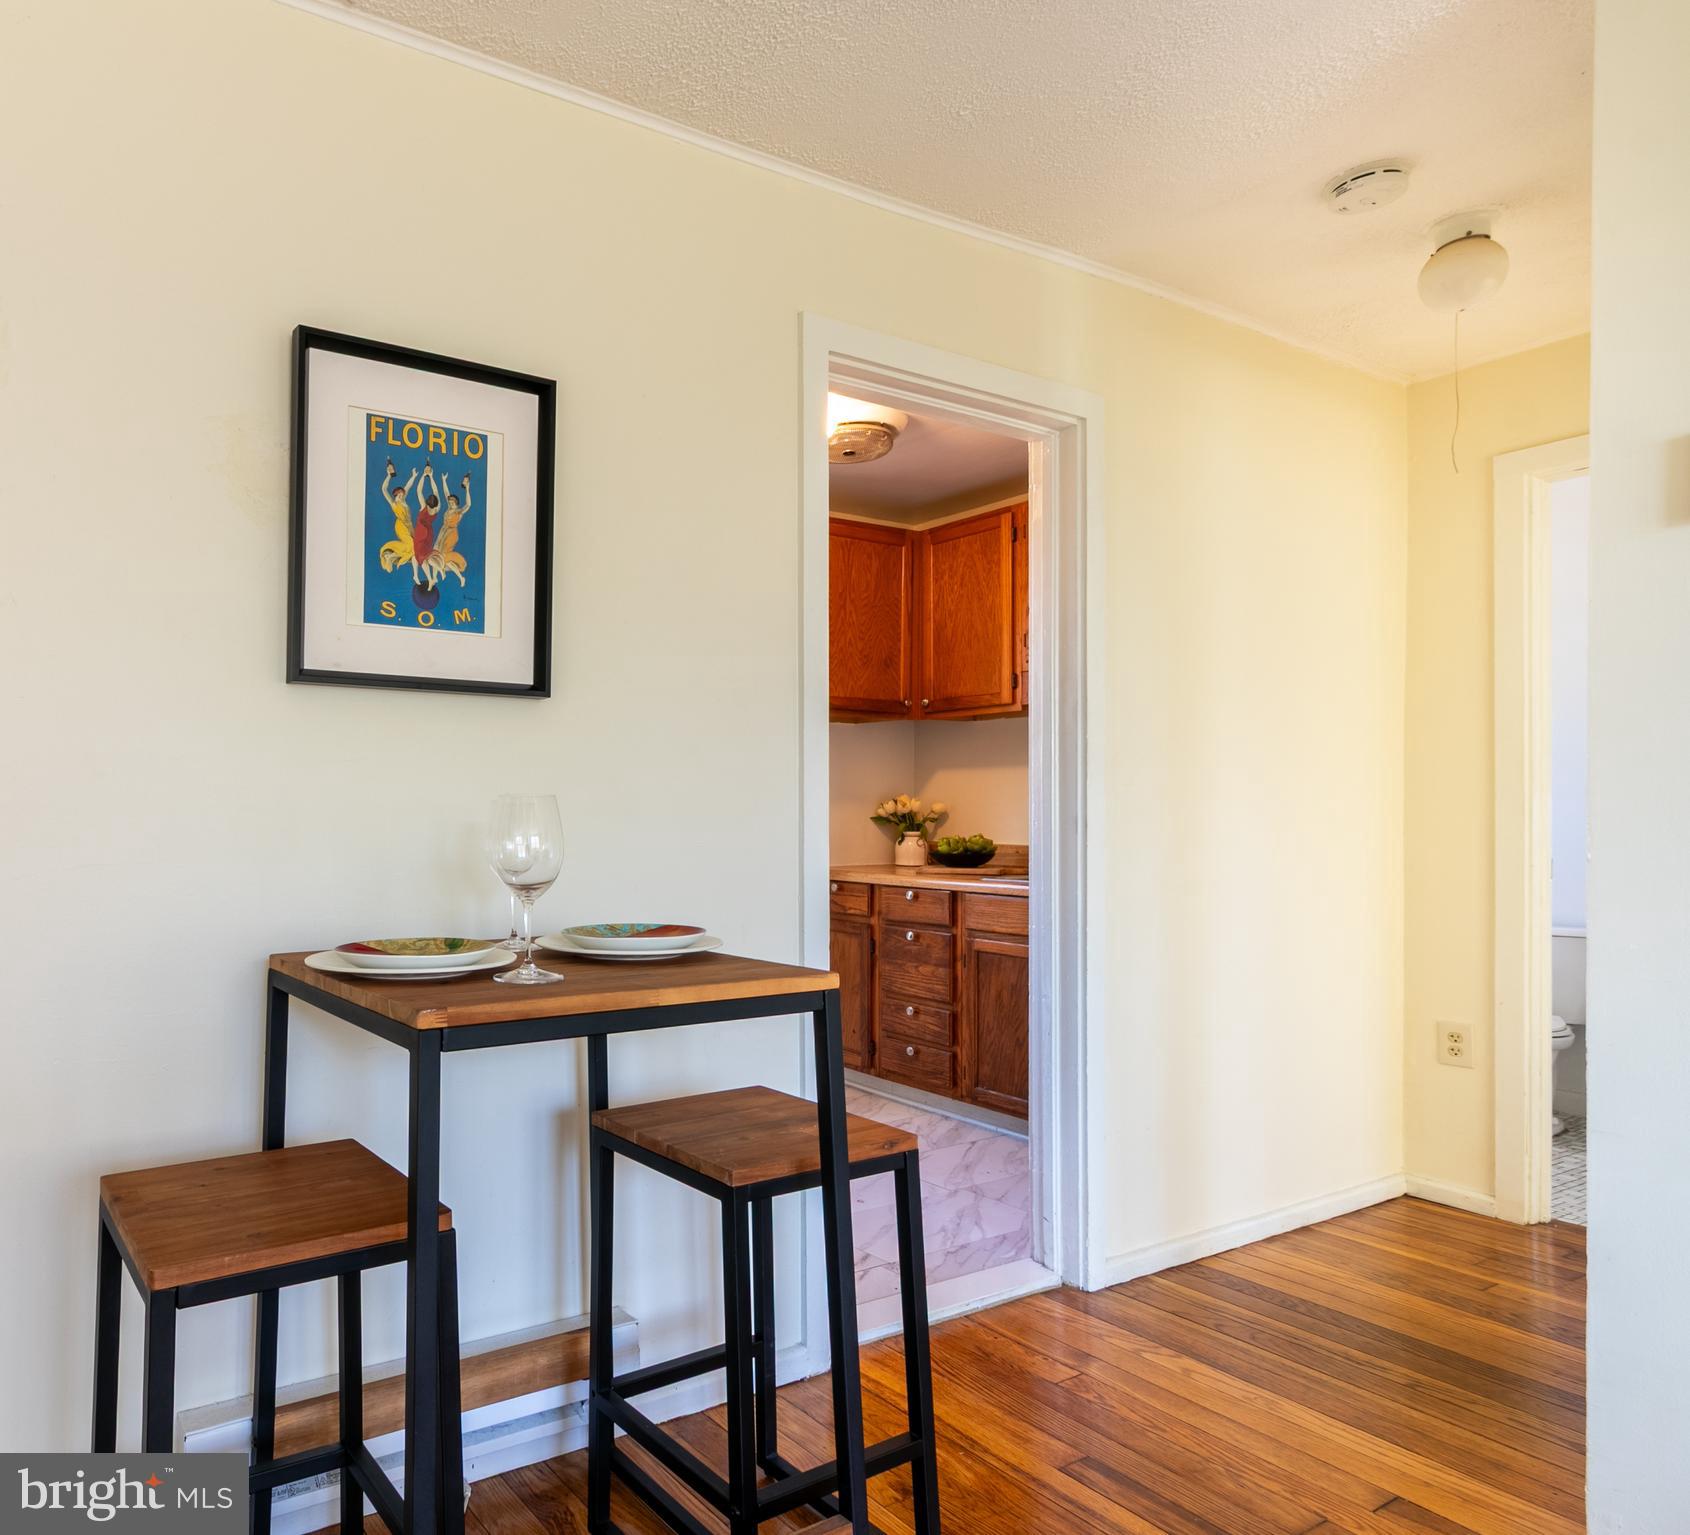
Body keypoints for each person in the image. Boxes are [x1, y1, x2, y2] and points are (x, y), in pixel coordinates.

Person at [377, 458, 418, 573]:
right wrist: (389, 476)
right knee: (411, 546)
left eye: (401, 494)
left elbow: (408, 486)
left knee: (415, 548)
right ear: (394, 496)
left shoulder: (404, 500)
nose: (400, 496)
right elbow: (384, 489)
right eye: (397, 495)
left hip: (410, 527)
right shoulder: (393, 503)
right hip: (401, 526)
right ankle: (390, 556)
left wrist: (413, 476)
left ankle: (392, 556)